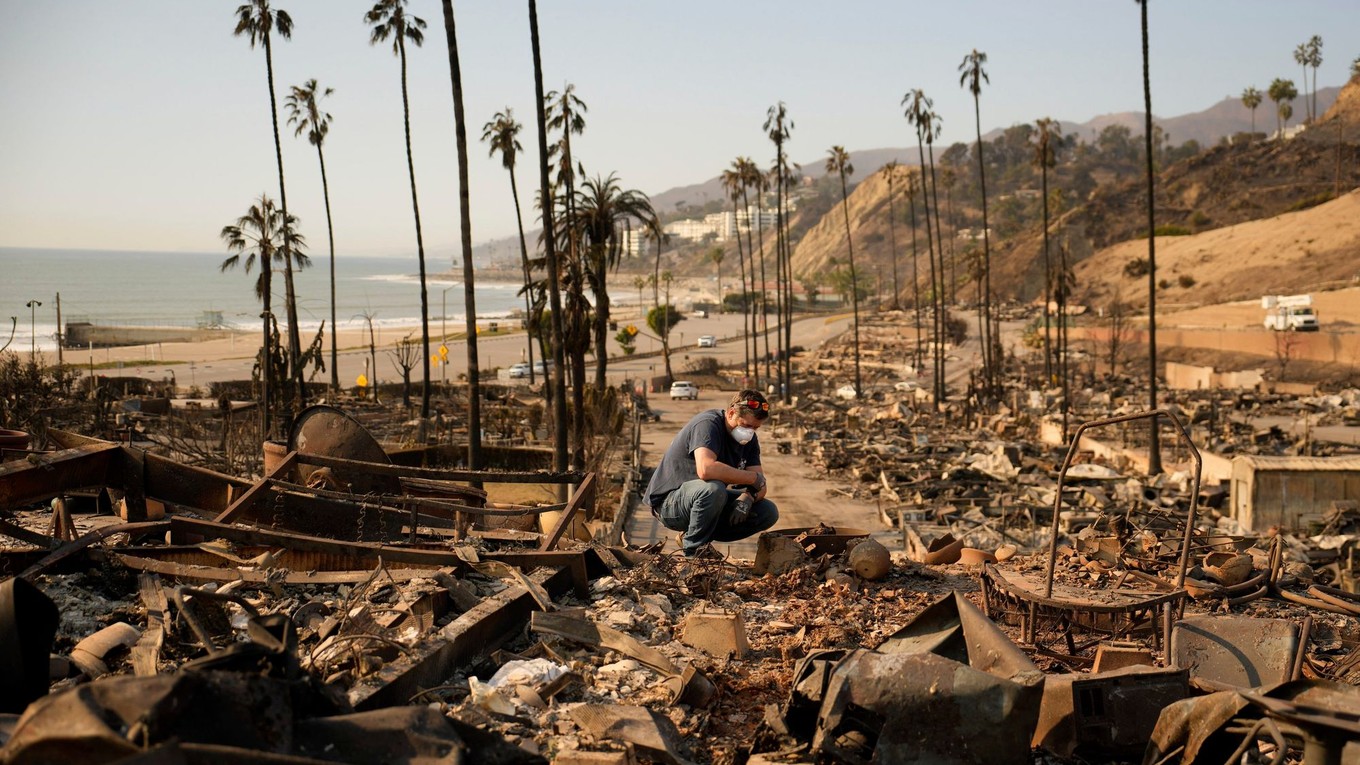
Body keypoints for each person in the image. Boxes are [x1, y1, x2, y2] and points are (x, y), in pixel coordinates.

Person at [644, 389, 779, 558]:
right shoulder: (708, 424)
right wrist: (752, 479)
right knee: (714, 489)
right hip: (670, 503)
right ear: (731, 413)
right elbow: (706, 469)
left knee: (768, 511)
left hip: (705, 501)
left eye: (755, 428)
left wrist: (749, 498)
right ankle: (694, 554)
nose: (750, 431)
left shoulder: (749, 441)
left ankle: (692, 537)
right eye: (746, 425)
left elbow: (761, 485)